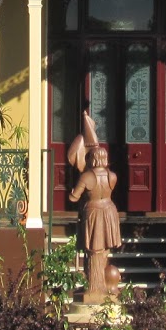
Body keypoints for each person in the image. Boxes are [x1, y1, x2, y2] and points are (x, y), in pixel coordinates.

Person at [67, 110, 121, 303]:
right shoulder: (112, 176)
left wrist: (73, 191)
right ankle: (96, 284)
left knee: (94, 250)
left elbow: (74, 197)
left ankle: (95, 285)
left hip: (93, 212)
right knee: (103, 250)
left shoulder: (87, 176)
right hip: (109, 211)